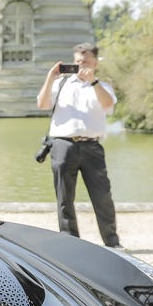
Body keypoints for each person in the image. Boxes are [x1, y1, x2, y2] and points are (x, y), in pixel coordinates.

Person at [36, 42, 123, 249]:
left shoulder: (103, 87)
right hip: (62, 145)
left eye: (84, 62)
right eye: (76, 62)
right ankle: (69, 240)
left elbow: (108, 104)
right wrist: (51, 77)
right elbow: (42, 104)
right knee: (64, 198)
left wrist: (92, 82)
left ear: (95, 63)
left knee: (103, 196)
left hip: (92, 147)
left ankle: (112, 241)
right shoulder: (61, 84)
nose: (80, 66)